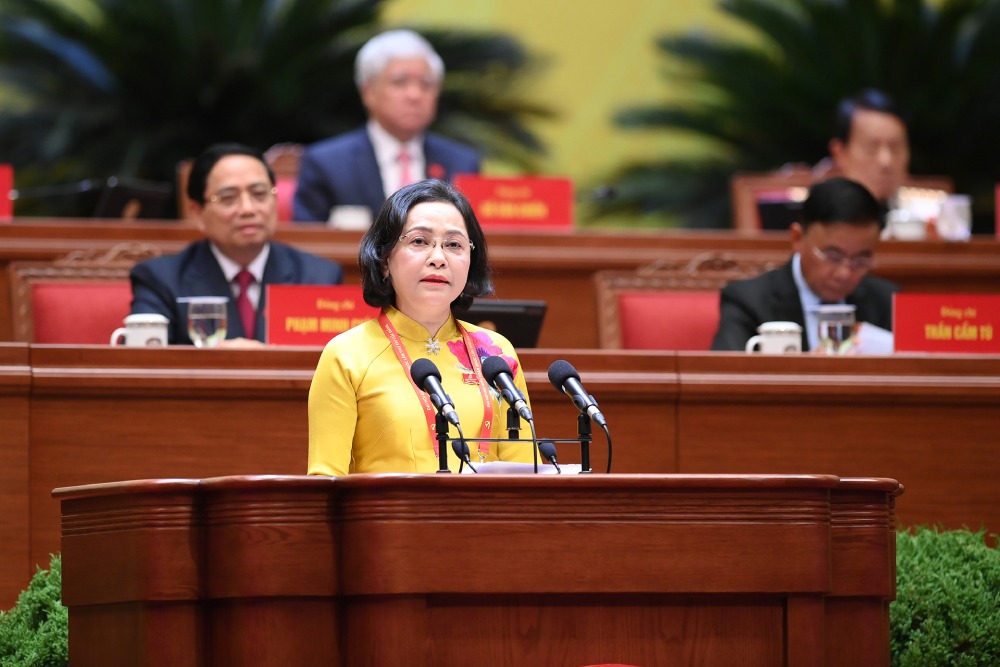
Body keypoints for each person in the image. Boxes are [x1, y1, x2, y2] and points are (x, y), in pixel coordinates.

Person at [308, 180, 534, 475]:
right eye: (419, 242)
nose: (438, 258)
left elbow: (524, 474)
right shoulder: (347, 354)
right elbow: (325, 481)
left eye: (454, 244)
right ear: (385, 259)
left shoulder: (495, 353)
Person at [130, 143, 344, 345]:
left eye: (259, 194)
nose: (247, 209)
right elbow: (143, 361)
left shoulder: (317, 277)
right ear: (197, 212)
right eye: (228, 198)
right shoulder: (161, 279)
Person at [294, 30, 480, 225]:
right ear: (368, 92)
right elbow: (308, 247)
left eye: (426, 84)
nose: (414, 95)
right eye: (400, 83)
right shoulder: (326, 163)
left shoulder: (462, 163)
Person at [711, 177, 898, 352]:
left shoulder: (887, 301)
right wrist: (809, 369)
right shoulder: (749, 302)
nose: (844, 273)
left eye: (860, 260)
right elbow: (720, 376)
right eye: (833, 256)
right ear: (797, 238)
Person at [828, 88, 910, 207]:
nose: (886, 161)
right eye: (871, 148)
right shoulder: (818, 220)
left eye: (895, 148)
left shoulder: (930, 216)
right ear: (839, 153)